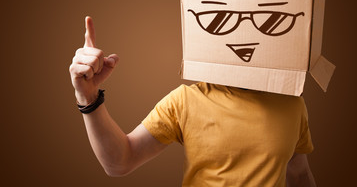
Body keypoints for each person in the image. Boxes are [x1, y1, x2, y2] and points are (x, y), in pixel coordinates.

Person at [69, 16, 317, 187]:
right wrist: (88, 97)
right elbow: (120, 162)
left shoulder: (292, 104)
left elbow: (300, 174)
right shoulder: (186, 100)